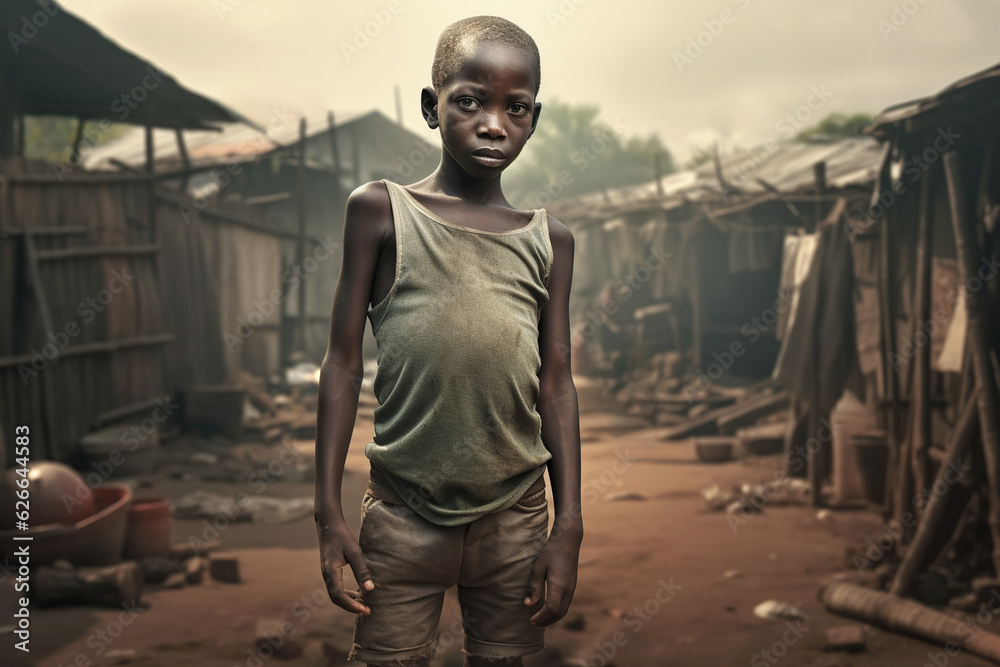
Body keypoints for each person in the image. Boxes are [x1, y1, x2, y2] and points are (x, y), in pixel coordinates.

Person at [313, 15, 583, 667]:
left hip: (516, 515)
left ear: (533, 118)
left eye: (515, 107)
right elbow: (342, 363)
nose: (494, 123)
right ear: (433, 108)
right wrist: (327, 511)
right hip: (404, 511)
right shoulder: (379, 211)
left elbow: (555, 381)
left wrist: (568, 524)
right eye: (470, 101)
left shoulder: (550, 240)